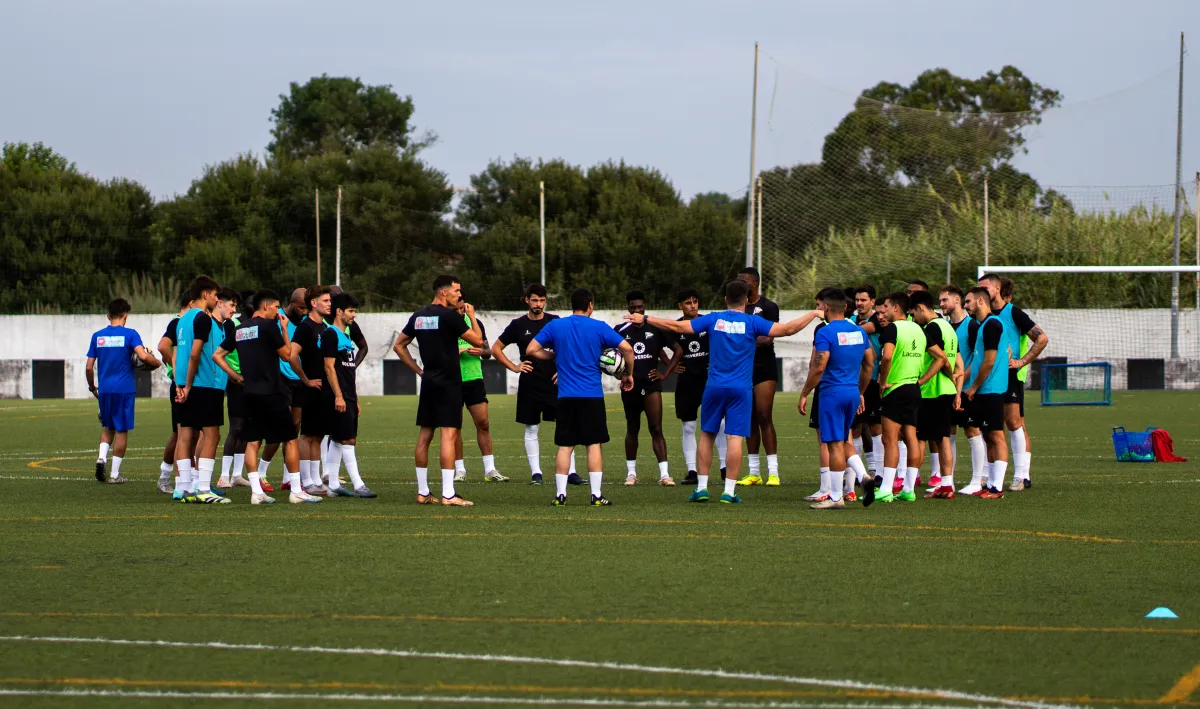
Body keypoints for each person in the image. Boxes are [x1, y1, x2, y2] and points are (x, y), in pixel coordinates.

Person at [627, 280, 823, 504]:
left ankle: (701, 488)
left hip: (714, 386)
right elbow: (788, 329)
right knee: (734, 438)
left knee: (707, 435)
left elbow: (679, 327)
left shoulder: (713, 318)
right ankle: (729, 491)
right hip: (741, 389)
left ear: (725, 300)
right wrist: (813, 314)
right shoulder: (752, 322)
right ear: (747, 301)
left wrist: (646, 318)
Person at [526, 288, 633, 505]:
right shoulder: (599, 327)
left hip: (566, 396)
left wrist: (555, 356)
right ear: (590, 305)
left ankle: (560, 495)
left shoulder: (556, 326)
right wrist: (628, 375)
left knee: (565, 446)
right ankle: (596, 495)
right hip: (591, 397)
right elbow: (628, 349)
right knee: (593, 445)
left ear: (572, 304)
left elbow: (531, 349)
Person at [213, 289, 316, 504]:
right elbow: (288, 356)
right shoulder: (270, 326)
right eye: (277, 307)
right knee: (290, 439)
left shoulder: (240, 329)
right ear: (266, 306)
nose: (279, 312)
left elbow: (218, 355)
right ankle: (296, 490)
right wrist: (285, 330)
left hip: (248, 393)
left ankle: (257, 493)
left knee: (252, 442)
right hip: (272, 392)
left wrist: (236, 376)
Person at [393, 275, 485, 507]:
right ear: (444, 292)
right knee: (448, 435)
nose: (459, 295)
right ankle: (448, 493)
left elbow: (399, 345)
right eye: (457, 291)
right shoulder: (449, 316)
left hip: (429, 382)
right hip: (450, 384)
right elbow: (478, 341)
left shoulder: (419, 316)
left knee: (425, 436)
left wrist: (418, 370)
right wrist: (471, 316)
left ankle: (423, 492)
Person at [492, 285, 584, 486]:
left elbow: (569, 348)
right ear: (526, 300)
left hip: (556, 384)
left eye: (542, 300)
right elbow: (496, 348)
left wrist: (563, 370)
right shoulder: (517, 325)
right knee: (532, 428)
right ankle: (536, 473)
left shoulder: (555, 322)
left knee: (565, 425)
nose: (538, 304)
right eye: (534, 300)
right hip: (530, 385)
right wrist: (514, 366)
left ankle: (572, 472)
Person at [798, 289, 873, 510]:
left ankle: (836, 497)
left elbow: (819, 365)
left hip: (831, 393)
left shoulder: (825, 332)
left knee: (833, 445)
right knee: (843, 440)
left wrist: (804, 392)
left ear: (826, 308)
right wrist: (860, 390)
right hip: (851, 392)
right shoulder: (859, 331)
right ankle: (864, 476)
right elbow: (869, 363)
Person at [978, 273, 1048, 492]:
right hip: (988, 375)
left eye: (985, 288)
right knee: (988, 426)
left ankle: (1021, 476)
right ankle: (987, 476)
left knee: (1014, 422)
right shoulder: (981, 316)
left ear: (997, 289)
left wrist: (1021, 361)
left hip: (1009, 376)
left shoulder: (1013, 313)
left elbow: (1042, 338)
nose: (981, 292)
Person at [86, 298, 162, 485]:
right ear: (126, 316)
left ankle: (101, 458)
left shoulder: (98, 336)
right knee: (121, 430)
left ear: (107, 316)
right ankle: (114, 474)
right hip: (124, 389)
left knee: (107, 427)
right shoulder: (130, 334)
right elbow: (143, 356)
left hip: (104, 389)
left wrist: (92, 387)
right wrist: (156, 362)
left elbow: (88, 367)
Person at [863, 292, 925, 506]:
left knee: (889, 440)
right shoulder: (918, 328)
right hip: (914, 387)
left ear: (896, 308)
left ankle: (886, 489)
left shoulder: (892, 329)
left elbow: (887, 356)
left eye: (886, 307)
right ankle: (908, 489)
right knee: (910, 437)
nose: (883, 312)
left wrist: (882, 381)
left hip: (895, 388)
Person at [172, 276, 229, 504]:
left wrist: (180, 384)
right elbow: (195, 354)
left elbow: (180, 354)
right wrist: (188, 383)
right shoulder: (203, 319)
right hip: (205, 383)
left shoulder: (182, 320)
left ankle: (185, 488)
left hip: (186, 385)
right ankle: (204, 489)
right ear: (206, 294)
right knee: (212, 435)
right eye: (215, 295)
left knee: (186, 435)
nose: (217, 299)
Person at [614, 290, 674, 487]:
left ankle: (665, 475)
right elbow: (607, 356)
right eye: (633, 308)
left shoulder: (655, 328)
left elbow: (678, 350)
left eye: (640, 307)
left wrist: (665, 373)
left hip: (651, 385)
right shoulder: (620, 330)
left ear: (644, 307)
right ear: (628, 309)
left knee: (656, 428)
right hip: (630, 387)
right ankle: (631, 474)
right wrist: (618, 374)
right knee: (632, 429)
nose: (637, 310)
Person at [665, 289, 724, 487]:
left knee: (720, 424)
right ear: (680, 306)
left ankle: (724, 467)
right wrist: (670, 367)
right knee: (689, 426)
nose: (693, 306)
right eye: (688, 303)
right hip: (687, 382)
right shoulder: (676, 327)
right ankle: (692, 470)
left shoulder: (709, 323)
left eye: (695, 302)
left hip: (710, 381)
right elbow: (656, 344)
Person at [319, 292, 375, 498]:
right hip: (338, 396)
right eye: (351, 311)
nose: (354, 315)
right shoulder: (330, 334)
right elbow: (329, 367)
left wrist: (354, 398)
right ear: (339, 311)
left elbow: (347, 371)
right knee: (349, 439)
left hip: (348, 395)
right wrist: (339, 396)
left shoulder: (346, 335)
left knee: (337, 439)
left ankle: (333, 484)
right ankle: (359, 485)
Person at [909, 291, 961, 500]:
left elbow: (942, 360)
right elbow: (957, 361)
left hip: (932, 391)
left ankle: (908, 485)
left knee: (919, 438)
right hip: (946, 390)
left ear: (921, 308)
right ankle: (947, 485)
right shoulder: (948, 327)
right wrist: (954, 380)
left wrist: (921, 381)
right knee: (943, 439)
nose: (913, 319)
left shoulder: (931, 328)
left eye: (913, 314)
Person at [735, 267, 782, 486]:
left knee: (764, 416)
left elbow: (768, 338)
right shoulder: (737, 307)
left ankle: (773, 472)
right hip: (743, 368)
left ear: (754, 283)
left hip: (764, 367)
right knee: (749, 418)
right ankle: (754, 472)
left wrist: (742, 340)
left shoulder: (769, 307)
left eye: (742, 281)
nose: (739, 284)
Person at [453, 298, 508, 483]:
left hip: (474, 379)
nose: (461, 311)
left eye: (463, 307)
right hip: (452, 380)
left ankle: (490, 469)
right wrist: (458, 352)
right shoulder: (445, 322)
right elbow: (439, 350)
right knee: (454, 427)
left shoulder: (475, 322)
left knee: (483, 423)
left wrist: (481, 351)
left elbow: (487, 352)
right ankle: (459, 470)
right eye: (458, 308)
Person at [962, 286, 1009, 499]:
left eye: (968, 301)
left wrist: (973, 387)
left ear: (981, 301)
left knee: (997, 436)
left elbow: (989, 361)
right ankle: (990, 483)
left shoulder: (992, 325)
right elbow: (985, 358)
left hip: (991, 390)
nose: (965, 305)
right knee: (989, 436)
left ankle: (997, 488)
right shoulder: (984, 325)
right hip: (984, 390)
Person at [290, 285, 333, 496]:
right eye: (325, 300)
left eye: (329, 300)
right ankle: (306, 480)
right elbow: (291, 355)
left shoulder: (324, 327)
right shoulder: (305, 327)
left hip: (323, 389)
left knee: (318, 435)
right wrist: (305, 379)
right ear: (313, 303)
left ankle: (315, 478)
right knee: (306, 435)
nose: (329, 304)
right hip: (309, 390)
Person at [155, 294, 191, 494]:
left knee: (187, 434)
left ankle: (184, 479)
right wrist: (179, 369)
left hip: (190, 384)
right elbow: (162, 347)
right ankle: (176, 481)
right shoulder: (179, 323)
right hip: (181, 384)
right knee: (182, 434)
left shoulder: (188, 323)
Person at [214, 288, 249, 490]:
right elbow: (222, 352)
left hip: (250, 382)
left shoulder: (254, 326)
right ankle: (223, 475)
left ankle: (237, 474)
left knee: (246, 429)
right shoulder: (230, 325)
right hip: (235, 381)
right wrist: (233, 374)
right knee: (235, 428)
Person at [852, 285, 884, 481]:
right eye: (857, 300)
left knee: (875, 427)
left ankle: (878, 472)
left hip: (873, 380)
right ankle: (859, 473)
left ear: (872, 301)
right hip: (853, 381)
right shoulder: (854, 321)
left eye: (863, 300)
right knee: (855, 428)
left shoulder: (878, 320)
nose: (859, 303)